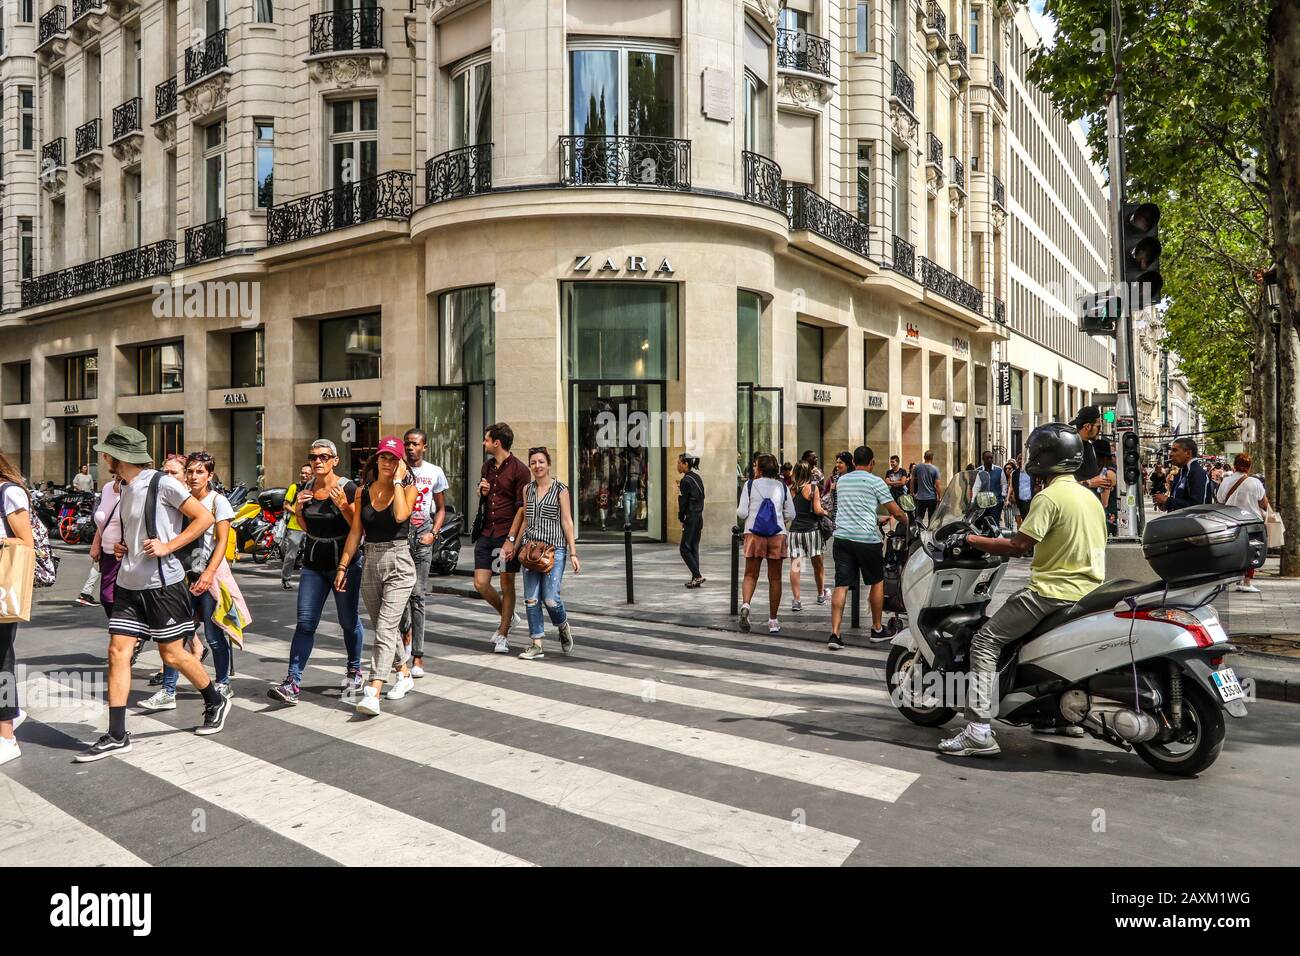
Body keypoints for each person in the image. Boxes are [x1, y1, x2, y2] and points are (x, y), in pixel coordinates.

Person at [937, 424, 1105, 757]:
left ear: (1045, 456)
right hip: (1088, 591)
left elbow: (1018, 546)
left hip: (1051, 591)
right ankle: (1057, 716)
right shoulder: (1089, 497)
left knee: (985, 640)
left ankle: (978, 730)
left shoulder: (1049, 497)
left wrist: (969, 539)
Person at [74, 427, 226, 763]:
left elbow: (204, 518)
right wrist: (123, 546)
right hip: (129, 583)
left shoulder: (163, 483)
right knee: (117, 651)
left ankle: (214, 699)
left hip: (163, 586)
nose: (102, 458)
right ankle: (117, 734)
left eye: (106, 452)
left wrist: (168, 546)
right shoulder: (123, 487)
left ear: (121, 456)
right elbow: (135, 530)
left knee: (172, 655)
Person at [268, 439, 365, 705]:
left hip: (344, 564)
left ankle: (355, 669)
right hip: (313, 564)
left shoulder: (349, 487)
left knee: (347, 620)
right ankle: (292, 682)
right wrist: (298, 510)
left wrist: (344, 505)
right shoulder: (307, 487)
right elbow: (308, 527)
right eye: (313, 457)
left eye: (324, 456)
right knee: (305, 623)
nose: (317, 461)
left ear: (335, 460)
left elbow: (359, 529)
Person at [141, 451, 238, 710]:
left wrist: (208, 575)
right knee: (176, 636)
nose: (194, 476)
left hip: (207, 576)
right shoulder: (177, 500)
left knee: (215, 634)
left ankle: (223, 681)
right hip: (179, 576)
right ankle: (168, 691)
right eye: (191, 471)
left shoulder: (218, 502)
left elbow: (222, 543)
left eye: (200, 472)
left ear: (210, 475)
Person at [336, 437, 419, 717]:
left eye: (394, 459)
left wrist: (398, 481)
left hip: (399, 562)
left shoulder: (409, 488)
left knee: (384, 628)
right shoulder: (362, 492)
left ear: (401, 464)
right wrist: (343, 566)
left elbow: (400, 517)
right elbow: (356, 532)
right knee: (385, 626)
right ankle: (403, 673)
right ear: (376, 460)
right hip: (370, 560)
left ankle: (373, 691)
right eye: (384, 457)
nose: (388, 463)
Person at [827, 446, 908, 650]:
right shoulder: (876, 481)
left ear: (853, 463)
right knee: (876, 582)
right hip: (866, 540)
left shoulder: (842, 480)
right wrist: (907, 520)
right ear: (872, 462)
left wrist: (873, 517)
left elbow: (853, 507)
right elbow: (895, 511)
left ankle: (835, 634)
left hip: (842, 538)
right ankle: (877, 628)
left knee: (841, 585)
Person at [502, 447, 580, 660]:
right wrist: (514, 546)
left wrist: (573, 552)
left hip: (555, 550)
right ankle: (536, 643)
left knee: (551, 598)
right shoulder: (527, 490)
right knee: (530, 599)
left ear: (548, 464)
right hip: (530, 550)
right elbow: (526, 520)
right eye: (533, 462)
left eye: (541, 462)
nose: (537, 466)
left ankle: (562, 625)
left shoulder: (561, 490)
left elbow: (567, 521)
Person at [474, 423, 530, 654]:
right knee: (481, 583)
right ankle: (509, 616)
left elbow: (522, 509)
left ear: (497, 442)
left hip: (506, 535)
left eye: (486, 439)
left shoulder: (520, 470)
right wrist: (482, 491)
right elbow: (485, 498)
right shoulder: (487, 466)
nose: (483, 443)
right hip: (487, 532)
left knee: (507, 585)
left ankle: (503, 634)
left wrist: (511, 539)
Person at [399, 428, 448, 679]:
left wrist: (434, 533)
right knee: (399, 596)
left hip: (422, 535)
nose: (410, 448)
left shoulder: (434, 472)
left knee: (417, 595)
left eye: (415, 444)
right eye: (407, 443)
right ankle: (404, 639)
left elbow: (441, 508)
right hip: (399, 537)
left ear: (424, 447)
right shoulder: (396, 469)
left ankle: (418, 655)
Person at [0, 452, 35, 768]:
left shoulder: (8, 492)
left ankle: (7, 735)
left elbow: (26, 542)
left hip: (1, 588)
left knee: (1, 662)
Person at [736, 454, 796, 635]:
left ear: (759, 469)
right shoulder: (783, 487)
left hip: (754, 534)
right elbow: (791, 514)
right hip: (777, 535)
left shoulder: (750, 485)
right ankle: (773, 620)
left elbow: (741, 512)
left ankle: (746, 604)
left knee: (750, 574)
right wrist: (779, 519)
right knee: (775, 578)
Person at [1216, 453, 1270, 593]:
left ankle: (1226, 581)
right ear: (1249, 466)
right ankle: (1246, 581)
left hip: (1229, 520)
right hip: (1251, 522)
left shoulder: (1226, 481)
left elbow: (1220, 500)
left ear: (1234, 465)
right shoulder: (1255, 482)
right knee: (1253, 551)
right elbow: (1264, 502)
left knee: (1229, 550)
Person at [787, 461, 829, 611]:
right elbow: (817, 510)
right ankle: (820, 594)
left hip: (795, 533)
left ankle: (797, 600)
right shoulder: (812, 488)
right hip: (812, 532)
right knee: (818, 566)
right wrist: (826, 512)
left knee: (796, 566)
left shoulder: (790, 490)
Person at [84, 470, 123, 617]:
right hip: (107, 553)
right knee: (107, 598)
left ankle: (128, 636)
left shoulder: (134, 491)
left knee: (119, 600)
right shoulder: (107, 488)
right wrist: (96, 544)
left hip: (125, 555)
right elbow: (103, 520)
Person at [1153, 437, 1212, 512]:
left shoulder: (1196, 473)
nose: (1170, 454)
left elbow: (1198, 506)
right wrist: (1165, 505)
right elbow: (1179, 502)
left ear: (1188, 453)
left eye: (1175, 450)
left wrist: (1167, 501)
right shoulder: (1181, 472)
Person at [1070, 406, 1115, 501]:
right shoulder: (1071, 448)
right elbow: (1062, 487)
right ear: (1088, 427)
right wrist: (1090, 483)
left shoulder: (1090, 447)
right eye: (1098, 426)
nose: (1100, 430)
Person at [280, 463, 313, 590]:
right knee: (291, 555)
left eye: (307, 473)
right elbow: (286, 505)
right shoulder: (294, 487)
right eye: (302, 473)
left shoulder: (314, 488)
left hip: (310, 527)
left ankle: (308, 580)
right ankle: (286, 578)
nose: (304, 475)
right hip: (295, 526)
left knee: (309, 554)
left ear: (312, 475)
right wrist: (297, 513)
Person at [676, 453, 706, 587]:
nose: (678, 465)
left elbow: (683, 502)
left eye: (679, 463)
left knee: (684, 548)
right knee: (694, 547)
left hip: (691, 516)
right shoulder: (697, 477)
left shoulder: (685, 481)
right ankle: (696, 578)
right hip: (699, 516)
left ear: (685, 464)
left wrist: (681, 516)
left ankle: (698, 575)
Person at [973, 451, 1006, 527]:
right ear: (983, 459)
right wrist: (973, 500)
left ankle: (994, 538)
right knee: (982, 523)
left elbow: (1003, 483)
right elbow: (976, 487)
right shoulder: (979, 471)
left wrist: (1003, 495)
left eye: (991, 458)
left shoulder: (999, 470)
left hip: (996, 502)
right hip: (982, 503)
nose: (989, 459)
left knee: (994, 523)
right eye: (987, 458)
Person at [910, 450, 942, 525]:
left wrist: (912, 493)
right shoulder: (935, 469)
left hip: (920, 497)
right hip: (932, 497)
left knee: (919, 517)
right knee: (931, 518)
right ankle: (929, 532)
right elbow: (937, 485)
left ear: (924, 457)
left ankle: (918, 532)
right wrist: (939, 497)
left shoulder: (917, 467)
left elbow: (912, 482)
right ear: (932, 458)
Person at [1009, 454, 1035, 527]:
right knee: (1022, 522)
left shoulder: (1032, 472)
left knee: (1030, 521)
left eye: (1022, 459)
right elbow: (1013, 486)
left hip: (1031, 501)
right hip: (1020, 501)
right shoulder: (1015, 473)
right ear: (1017, 461)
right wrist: (1013, 496)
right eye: (1019, 459)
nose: (1020, 461)